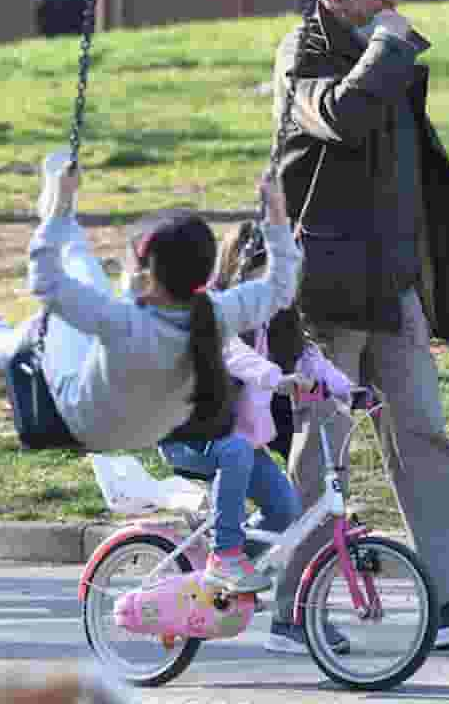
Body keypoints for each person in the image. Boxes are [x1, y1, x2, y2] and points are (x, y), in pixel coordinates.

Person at [270, 0, 449, 650]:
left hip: (394, 286)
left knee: (426, 436)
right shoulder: (304, 54)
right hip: (326, 293)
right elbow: (341, 118)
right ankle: (291, 609)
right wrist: (386, 48)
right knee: (323, 451)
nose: (392, 2)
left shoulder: (385, 54)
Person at [0, 151, 300, 452]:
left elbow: (46, 283)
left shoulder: (122, 322)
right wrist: (278, 218)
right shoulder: (217, 312)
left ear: (147, 276)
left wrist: (55, 216)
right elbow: (281, 287)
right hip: (153, 430)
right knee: (87, 290)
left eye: (129, 263)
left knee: (54, 317)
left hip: (87, 423)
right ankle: (68, 225)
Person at [159, 220, 358, 654]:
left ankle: (204, 572)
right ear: (239, 273)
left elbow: (310, 359)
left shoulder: (281, 320)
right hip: (190, 433)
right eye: (261, 278)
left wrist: (348, 388)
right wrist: (277, 379)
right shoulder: (214, 312)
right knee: (233, 452)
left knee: (285, 509)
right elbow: (233, 354)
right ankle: (224, 554)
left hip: (239, 442)